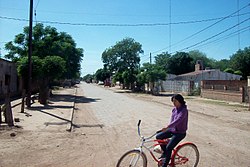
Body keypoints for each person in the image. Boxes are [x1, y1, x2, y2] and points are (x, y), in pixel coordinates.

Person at [156, 94, 188, 167]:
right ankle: (165, 154)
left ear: (180, 101)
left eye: (175, 101)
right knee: (158, 137)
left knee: (169, 147)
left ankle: (165, 164)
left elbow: (178, 120)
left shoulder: (184, 110)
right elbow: (172, 120)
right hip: (172, 130)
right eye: (173, 101)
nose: (173, 103)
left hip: (180, 133)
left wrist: (167, 127)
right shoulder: (174, 109)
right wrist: (166, 130)